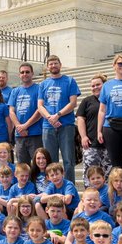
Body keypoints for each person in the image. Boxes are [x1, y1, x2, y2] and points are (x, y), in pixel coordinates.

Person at [38, 54, 82, 183]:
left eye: (55, 63)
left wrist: (57, 115)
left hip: (66, 125)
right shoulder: (43, 84)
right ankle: (52, 188)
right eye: (51, 64)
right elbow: (40, 106)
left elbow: (73, 103)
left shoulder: (70, 81)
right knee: (50, 162)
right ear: (47, 67)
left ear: (60, 65)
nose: (53, 66)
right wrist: (49, 117)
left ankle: (69, 188)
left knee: (69, 160)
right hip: (48, 126)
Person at [10, 63, 43, 166]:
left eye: (27, 72)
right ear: (19, 75)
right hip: (19, 135)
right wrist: (19, 127)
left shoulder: (39, 89)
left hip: (35, 134)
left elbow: (40, 110)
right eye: (22, 72)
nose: (25, 74)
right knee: (22, 167)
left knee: (38, 165)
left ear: (32, 73)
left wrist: (25, 126)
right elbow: (11, 111)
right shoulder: (15, 91)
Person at [76, 73, 108, 173]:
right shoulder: (86, 101)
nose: (95, 87)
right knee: (90, 175)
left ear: (104, 85)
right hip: (91, 144)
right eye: (93, 86)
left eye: (98, 84)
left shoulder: (110, 99)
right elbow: (80, 119)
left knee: (110, 176)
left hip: (109, 144)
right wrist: (83, 137)